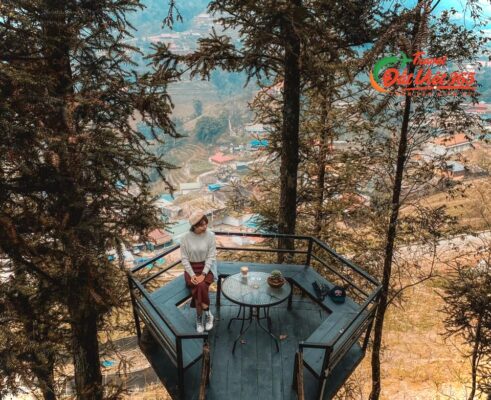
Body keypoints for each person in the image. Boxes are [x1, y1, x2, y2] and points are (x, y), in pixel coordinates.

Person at [180, 211, 217, 333]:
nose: (205, 227)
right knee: (200, 286)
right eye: (201, 225)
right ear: (194, 226)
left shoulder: (210, 236)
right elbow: (184, 259)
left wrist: (204, 274)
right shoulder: (185, 238)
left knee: (199, 286)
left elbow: (211, 257)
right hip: (191, 269)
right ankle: (208, 313)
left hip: (206, 268)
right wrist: (192, 275)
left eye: (206, 223)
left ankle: (199, 317)